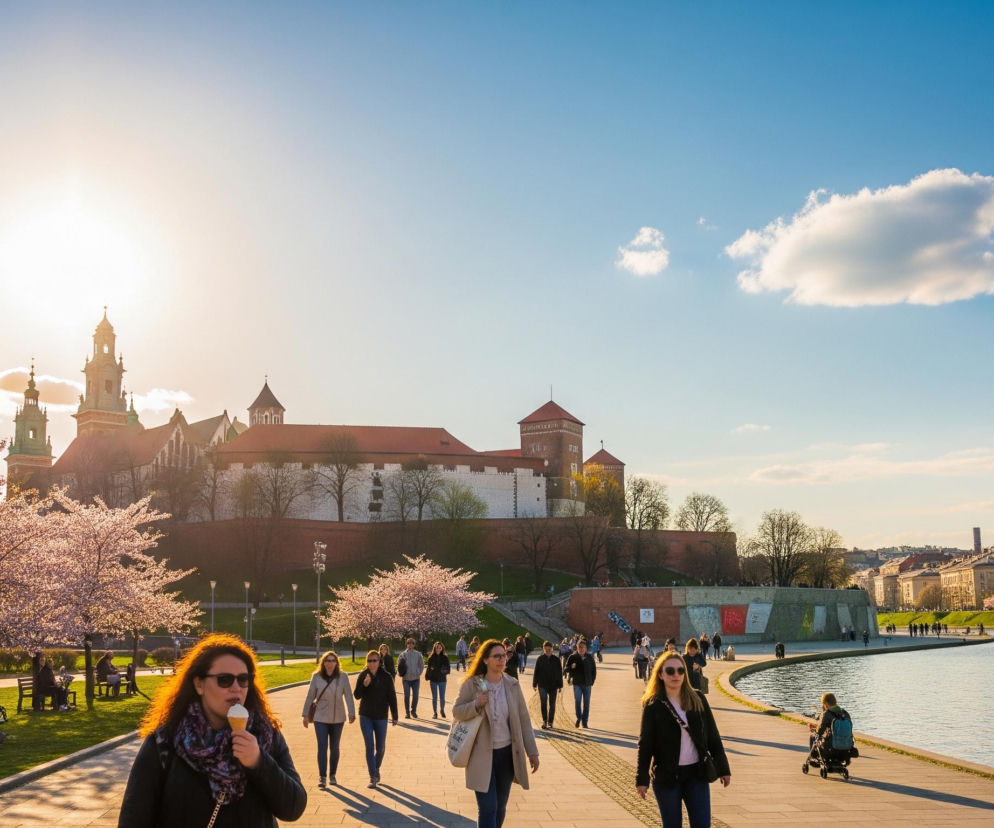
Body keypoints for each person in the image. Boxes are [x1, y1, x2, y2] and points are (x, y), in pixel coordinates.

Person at [118, 633, 307, 827]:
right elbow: (133, 818)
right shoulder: (165, 742)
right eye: (224, 680)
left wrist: (259, 762)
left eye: (243, 679)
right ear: (199, 684)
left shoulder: (266, 735)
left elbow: (293, 808)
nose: (236, 688)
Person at [636, 652, 731, 828]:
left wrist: (723, 768)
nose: (676, 675)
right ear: (660, 674)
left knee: (702, 824)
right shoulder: (653, 705)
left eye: (680, 670)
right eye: (670, 671)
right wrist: (642, 779)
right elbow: (646, 744)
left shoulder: (697, 698)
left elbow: (712, 735)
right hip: (667, 776)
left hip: (697, 774)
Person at [452, 638, 539, 827]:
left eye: (504, 655)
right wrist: (475, 704)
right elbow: (457, 711)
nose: (502, 660)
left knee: (500, 807)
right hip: (481, 755)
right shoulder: (473, 684)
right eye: (497, 656)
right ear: (485, 660)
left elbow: (524, 721)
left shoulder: (512, 685)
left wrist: (532, 752)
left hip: (506, 755)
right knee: (488, 807)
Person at [301, 650, 355, 788]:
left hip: (338, 718)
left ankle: (332, 775)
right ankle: (322, 776)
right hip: (320, 717)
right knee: (322, 746)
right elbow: (309, 696)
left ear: (336, 663)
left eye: (332, 661)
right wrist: (305, 715)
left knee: (335, 747)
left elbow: (348, 695)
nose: (330, 663)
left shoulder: (343, 677)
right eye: (327, 660)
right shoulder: (316, 677)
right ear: (323, 662)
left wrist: (351, 712)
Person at [352, 649, 398, 788]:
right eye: (369, 661)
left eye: (374, 660)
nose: (372, 663)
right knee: (369, 746)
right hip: (365, 715)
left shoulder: (386, 676)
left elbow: (392, 697)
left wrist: (395, 715)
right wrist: (364, 685)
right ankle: (372, 776)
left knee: (381, 747)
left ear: (379, 662)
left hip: (381, 717)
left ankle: (376, 767)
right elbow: (357, 695)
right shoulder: (363, 674)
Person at [564, 638, 596, 728]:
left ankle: (584, 722)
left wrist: (592, 681)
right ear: (577, 647)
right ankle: (579, 718)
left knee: (586, 704)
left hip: (587, 684)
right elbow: (566, 669)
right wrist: (571, 667)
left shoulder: (589, 657)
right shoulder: (573, 657)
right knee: (578, 702)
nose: (581, 649)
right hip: (577, 684)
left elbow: (594, 670)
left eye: (583, 647)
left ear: (586, 648)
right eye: (580, 647)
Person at [532, 641, 563, 730]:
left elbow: (559, 673)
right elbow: (536, 672)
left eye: (549, 649)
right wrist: (534, 684)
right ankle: (544, 720)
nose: (548, 651)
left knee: (552, 704)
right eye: (546, 649)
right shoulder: (540, 659)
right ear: (543, 649)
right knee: (543, 703)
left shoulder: (556, 659)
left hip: (553, 685)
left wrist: (560, 685)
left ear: (552, 649)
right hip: (542, 684)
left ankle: (550, 722)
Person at [398, 638, 425, 719]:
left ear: (414, 644)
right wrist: (401, 673)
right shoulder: (403, 654)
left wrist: (418, 672)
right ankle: (407, 712)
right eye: (408, 643)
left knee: (415, 695)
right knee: (407, 696)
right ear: (406, 644)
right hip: (406, 679)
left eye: (412, 643)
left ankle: (413, 711)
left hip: (416, 679)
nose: (410, 645)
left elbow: (421, 665)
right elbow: (399, 665)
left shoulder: (418, 654)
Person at [425, 641, 451, 719]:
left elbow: (448, 669)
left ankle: (442, 710)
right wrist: (430, 670)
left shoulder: (445, 658)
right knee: (434, 697)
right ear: (435, 648)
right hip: (433, 680)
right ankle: (435, 712)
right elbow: (428, 669)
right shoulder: (431, 658)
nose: (438, 649)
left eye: (440, 647)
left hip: (442, 680)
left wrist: (442, 670)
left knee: (442, 697)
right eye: (437, 647)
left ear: (442, 648)